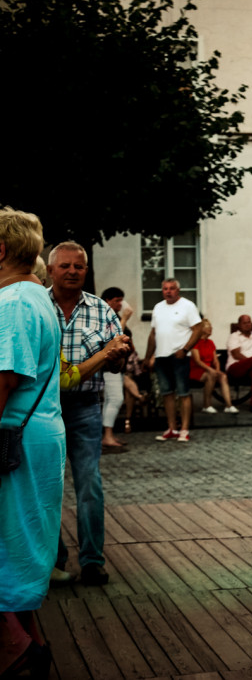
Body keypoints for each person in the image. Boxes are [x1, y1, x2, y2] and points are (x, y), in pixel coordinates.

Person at [0, 208, 65, 677]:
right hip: (35, 432)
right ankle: (31, 648)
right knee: (17, 543)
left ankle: (19, 651)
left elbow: (4, 379)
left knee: (10, 543)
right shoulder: (35, 296)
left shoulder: (14, 303)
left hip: (14, 435)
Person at [47, 241, 127, 586]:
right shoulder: (37, 306)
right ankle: (54, 560)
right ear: (51, 270)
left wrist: (119, 354)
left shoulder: (100, 309)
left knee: (89, 484)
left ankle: (92, 560)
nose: (72, 272)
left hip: (84, 408)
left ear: (86, 270)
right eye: (65, 266)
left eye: (78, 266)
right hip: (45, 410)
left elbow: (115, 364)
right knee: (48, 487)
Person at [144, 279, 202, 442]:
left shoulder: (187, 306)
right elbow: (153, 333)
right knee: (166, 393)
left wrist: (185, 349)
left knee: (183, 392)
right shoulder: (158, 307)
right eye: (165, 289)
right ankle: (172, 428)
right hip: (161, 355)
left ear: (178, 290)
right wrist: (148, 356)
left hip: (179, 356)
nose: (168, 291)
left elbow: (198, 329)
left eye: (171, 289)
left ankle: (184, 429)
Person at [190, 319, 238, 414]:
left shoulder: (210, 342)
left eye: (211, 326)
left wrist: (217, 370)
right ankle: (206, 405)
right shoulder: (195, 342)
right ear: (201, 329)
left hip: (209, 369)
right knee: (210, 375)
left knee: (223, 376)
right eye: (208, 326)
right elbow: (197, 360)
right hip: (197, 369)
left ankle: (229, 405)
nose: (211, 328)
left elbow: (215, 360)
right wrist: (211, 370)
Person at [100, 287, 127, 451]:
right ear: (108, 301)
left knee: (110, 399)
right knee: (116, 398)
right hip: (109, 364)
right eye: (117, 300)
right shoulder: (106, 316)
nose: (120, 304)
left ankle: (107, 434)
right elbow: (115, 337)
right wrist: (125, 318)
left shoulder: (112, 316)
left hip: (118, 365)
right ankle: (107, 435)